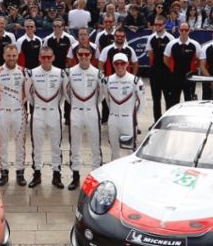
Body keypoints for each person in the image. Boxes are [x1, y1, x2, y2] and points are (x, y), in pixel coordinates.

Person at [29, 46, 68, 188]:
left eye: (49, 57)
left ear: (53, 58)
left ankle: (57, 174)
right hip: (38, 112)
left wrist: (55, 105)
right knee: (37, 146)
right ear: (39, 58)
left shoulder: (61, 73)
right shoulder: (32, 73)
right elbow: (28, 94)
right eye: (43, 57)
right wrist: (37, 105)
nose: (46, 60)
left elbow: (64, 93)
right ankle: (37, 174)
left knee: (56, 145)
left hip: (54, 112)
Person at [0, 44, 30, 187]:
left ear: (17, 56)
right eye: (8, 55)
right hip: (3, 112)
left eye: (14, 55)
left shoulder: (24, 72)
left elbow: (26, 93)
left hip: (19, 112)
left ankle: (20, 172)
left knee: (20, 144)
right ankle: (4, 172)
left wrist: (18, 104)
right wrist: (2, 106)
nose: (11, 58)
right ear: (3, 56)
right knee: (3, 144)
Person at [66, 46, 103, 188]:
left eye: (86, 54)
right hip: (76, 111)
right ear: (76, 55)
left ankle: (95, 176)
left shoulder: (97, 73)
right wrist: (76, 104)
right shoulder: (70, 72)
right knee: (75, 145)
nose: (83, 56)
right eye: (80, 54)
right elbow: (66, 91)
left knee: (95, 144)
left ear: (91, 55)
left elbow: (101, 94)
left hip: (92, 111)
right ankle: (75, 175)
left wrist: (92, 104)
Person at [102, 53, 143, 159]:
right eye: (117, 63)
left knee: (129, 152)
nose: (119, 66)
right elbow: (107, 100)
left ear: (127, 64)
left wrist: (133, 115)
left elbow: (142, 103)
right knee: (114, 152)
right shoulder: (107, 81)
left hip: (128, 120)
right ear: (113, 64)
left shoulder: (135, 81)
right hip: (113, 119)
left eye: (122, 63)